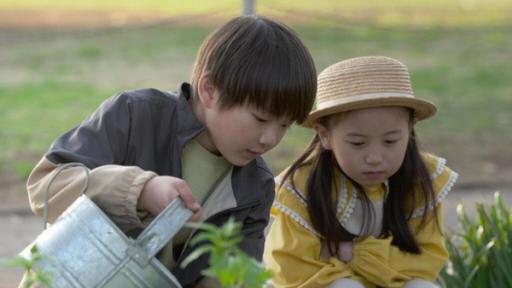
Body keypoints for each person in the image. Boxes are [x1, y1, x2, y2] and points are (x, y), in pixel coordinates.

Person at [25, 15, 316, 287]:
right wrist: (139, 190)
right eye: (261, 118)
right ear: (209, 90)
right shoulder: (134, 115)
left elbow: (230, 276)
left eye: (285, 126)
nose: (270, 138)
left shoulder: (255, 188)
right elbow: (46, 187)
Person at [263, 56, 458, 288]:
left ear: (410, 129)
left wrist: (353, 254)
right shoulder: (301, 188)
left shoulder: (421, 178)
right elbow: (291, 269)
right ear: (324, 135)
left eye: (390, 141)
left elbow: (426, 260)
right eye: (357, 143)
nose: (374, 158)